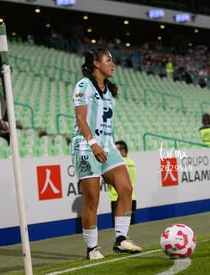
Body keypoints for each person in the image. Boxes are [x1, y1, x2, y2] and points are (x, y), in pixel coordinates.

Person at [71, 48, 142, 260]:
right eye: (108, 60)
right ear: (96, 64)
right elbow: (80, 119)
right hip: (86, 146)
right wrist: (92, 144)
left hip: (108, 146)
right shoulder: (83, 85)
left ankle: (121, 240)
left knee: (126, 188)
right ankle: (92, 249)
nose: (112, 64)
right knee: (92, 199)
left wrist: (103, 144)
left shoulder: (108, 89)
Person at [109, 141, 136, 226]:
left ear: (123, 151)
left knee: (119, 228)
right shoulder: (131, 162)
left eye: (115, 150)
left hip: (117, 198)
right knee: (131, 226)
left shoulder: (118, 164)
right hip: (131, 197)